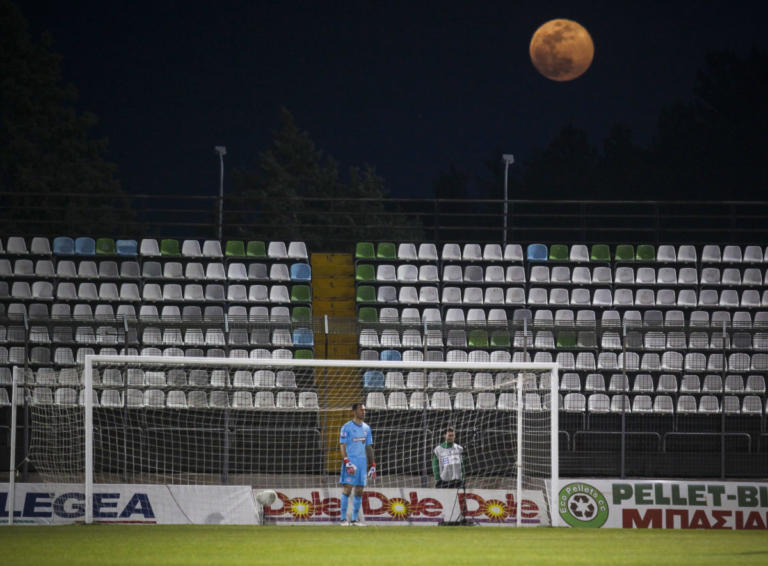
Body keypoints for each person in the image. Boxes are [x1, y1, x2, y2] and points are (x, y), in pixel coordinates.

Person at [339, 402, 376, 525]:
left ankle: (354, 519)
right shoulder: (346, 427)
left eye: (364, 410)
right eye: (361, 410)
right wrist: (346, 461)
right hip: (351, 462)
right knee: (347, 489)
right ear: (354, 411)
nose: (363, 412)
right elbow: (342, 445)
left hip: (362, 463)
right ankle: (343, 519)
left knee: (359, 491)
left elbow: (369, 447)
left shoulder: (366, 428)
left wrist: (373, 465)